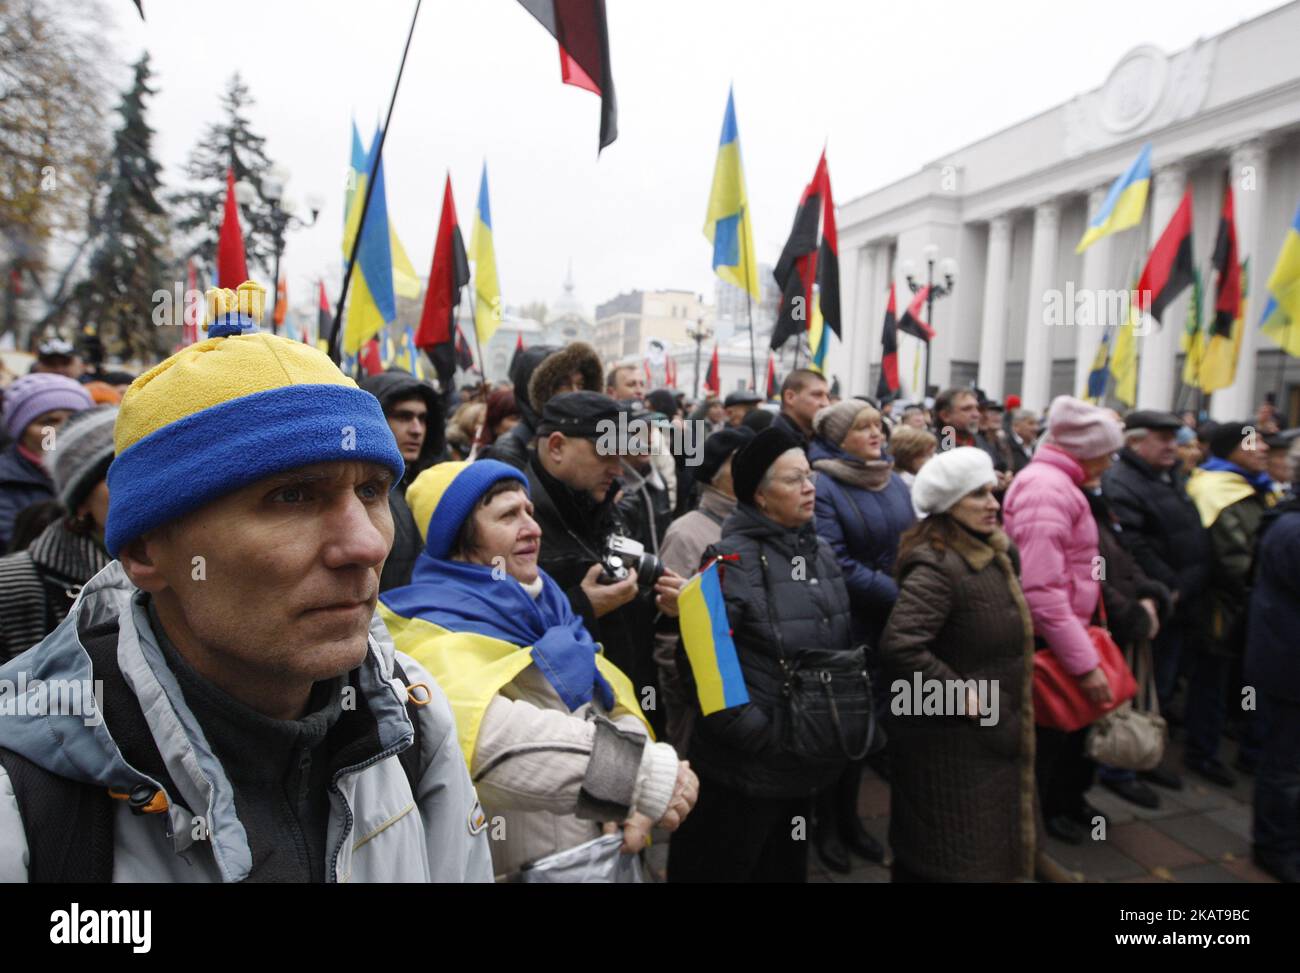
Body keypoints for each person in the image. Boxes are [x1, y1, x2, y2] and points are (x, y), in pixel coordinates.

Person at [0, 284, 491, 882]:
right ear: (146, 551)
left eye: (370, 491)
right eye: (291, 496)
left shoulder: (412, 720)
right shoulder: (22, 795)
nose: (365, 544)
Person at [377, 460, 697, 878]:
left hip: (590, 856)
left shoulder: (549, 605)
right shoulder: (426, 623)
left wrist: (632, 799)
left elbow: (605, 700)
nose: (533, 527)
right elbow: (490, 739)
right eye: (508, 515)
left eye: (529, 510)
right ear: (459, 537)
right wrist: (644, 776)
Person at [667, 427, 866, 883]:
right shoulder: (725, 562)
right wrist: (764, 737)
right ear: (758, 494)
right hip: (742, 773)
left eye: (810, 475)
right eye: (794, 479)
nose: (810, 487)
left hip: (805, 764)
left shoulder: (822, 555)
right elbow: (703, 670)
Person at [879, 448, 1036, 882]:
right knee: (953, 854)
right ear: (949, 504)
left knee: (986, 845)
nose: (993, 503)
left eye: (992, 491)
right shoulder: (938, 563)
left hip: (990, 734)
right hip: (953, 740)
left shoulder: (991, 551)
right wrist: (969, 700)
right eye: (977, 495)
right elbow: (902, 646)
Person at [1002, 395, 1124, 844]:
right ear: (1085, 450)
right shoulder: (1046, 489)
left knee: (1065, 735)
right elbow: (1041, 590)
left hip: (1064, 634)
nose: (1111, 463)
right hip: (1051, 640)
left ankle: (1060, 808)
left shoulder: (1060, 483)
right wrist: (1083, 663)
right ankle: (1038, 827)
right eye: (1107, 453)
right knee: (1048, 740)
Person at [524, 391, 684, 722]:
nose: (617, 468)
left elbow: (625, 612)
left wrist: (661, 604)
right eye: (607, 453)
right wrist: (581, 607)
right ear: (556, 447)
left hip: (628, 702)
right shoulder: (518, 521)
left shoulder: (604, 506)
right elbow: (500, 632)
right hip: (565, 720)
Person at [808, 399, 913, 871]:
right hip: (847, 625)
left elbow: (911, 539)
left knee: (870, 728)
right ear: (837, 437)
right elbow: (835, 562)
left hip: (891, 620)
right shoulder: (823, 483)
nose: (876, 433)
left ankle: (851, 821)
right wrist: (899, 592)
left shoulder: (891, 479)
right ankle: (826, 827)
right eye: (863, 427)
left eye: (878, 425)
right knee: (840, 730)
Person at [1101, 410, 1211, 791]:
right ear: (1134, 441)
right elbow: (1133, 546)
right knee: (1138, 685)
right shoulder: (1122, 482)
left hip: (1177, 601)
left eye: (1174, 437)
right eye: (1163, 438)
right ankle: (1120, 765)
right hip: (1154, 601)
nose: (1173, 446)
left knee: (1160, 686)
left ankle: (1147, 754)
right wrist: (1168, 586)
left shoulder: (1167, 476)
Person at [1183, 422, 1277, 787]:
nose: (1263, 449)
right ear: (1229, 450)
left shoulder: (1251, 486)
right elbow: (1233, 559)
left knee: (1242, 680)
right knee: (1211, 681)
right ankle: (1201, 751)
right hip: (1221, 607)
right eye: (1253, 443)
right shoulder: (1215, 489)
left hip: (1246, 604)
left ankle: (1233, 739)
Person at [654, 426, 753, 752]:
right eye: (738, 461)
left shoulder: (762, 524)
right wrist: (683, 692)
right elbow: (669, 626)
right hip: (701, 690)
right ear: (714, 474)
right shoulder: (687, 533)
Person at [1084, 461, 1173, 810]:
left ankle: (1131, 761)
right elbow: (1093, 576)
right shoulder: (1080, 503)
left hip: (1122, 616)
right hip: (1103, 626)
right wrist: (1131, 612)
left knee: (1128, 697)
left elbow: (1125, 556)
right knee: (1104, 708)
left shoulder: (1101, 500)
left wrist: (1150, 595)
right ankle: (1115, 766)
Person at [0, 406, 115, 659]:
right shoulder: (11, 584)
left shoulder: (183, 567)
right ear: (81, 502)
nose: (136, 485)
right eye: (113, 473)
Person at [1244, 479, 1300, 883]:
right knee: (1283, 764)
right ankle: (1273, 847)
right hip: (1288, 665)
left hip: (1284, 660)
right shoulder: (1291, 529)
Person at [360, 370, 446, 592]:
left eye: (423, 419)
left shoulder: (431, 483)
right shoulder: (355, 492)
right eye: (403, 416)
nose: (417, 430)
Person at [0, 373, 94, 550]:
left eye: (76, 418)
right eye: (49, 421)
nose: (64, 429)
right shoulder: (5, 481)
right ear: (21, 430)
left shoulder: (107, 474)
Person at [479, 342, 603, 470]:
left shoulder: (582, 439)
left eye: (581, 384)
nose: (576, 393)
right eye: (563, 384)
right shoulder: (510, 450)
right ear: (537, 390)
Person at [773, 369, 829, 447]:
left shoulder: (818, 438)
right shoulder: (774, 442)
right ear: (790, 397)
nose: (826, 403)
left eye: (827, 396)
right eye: (817, 395)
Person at [474, 386, 521, 451]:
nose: (522, 424)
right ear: (495, 423)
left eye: (525, 418)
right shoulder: (487, 455)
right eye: (515, 419)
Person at [1007, 408, 1039, 474]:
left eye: (1037, 424)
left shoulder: (1038, 447)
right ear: (1016, 426)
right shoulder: (1006, 445)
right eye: (1031, 424)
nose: (1036, 428)